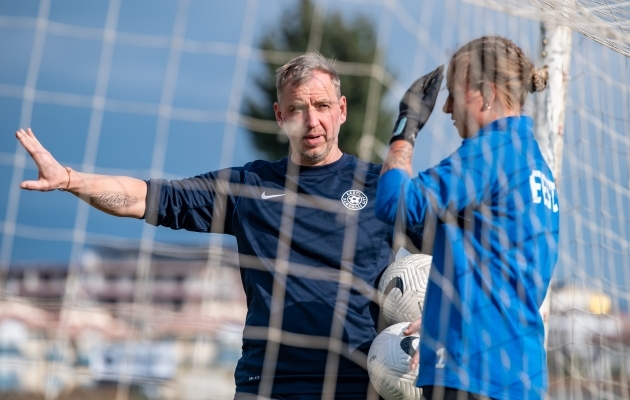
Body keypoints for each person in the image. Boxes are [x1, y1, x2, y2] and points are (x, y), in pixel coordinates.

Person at [15, 53, 441, 399]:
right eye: (297, 108)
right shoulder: (249, 186)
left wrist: (437, 318)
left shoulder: (380, 186)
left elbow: (454, 260)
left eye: (323, 106)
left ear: (342, 110)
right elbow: (146, 196)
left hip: (357, 383)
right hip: (267, 386)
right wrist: (71, 180)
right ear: (279, 115)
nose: (312, 121)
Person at [375, 36, 560, 400]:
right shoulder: (537, 167)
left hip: (473, 372)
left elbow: (395, 205)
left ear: (487, 94)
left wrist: (405, 128)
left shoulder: (492, 151)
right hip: (520, 372)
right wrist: (444, 320)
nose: (444, 108)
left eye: (453, 94)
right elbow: (501, 274)